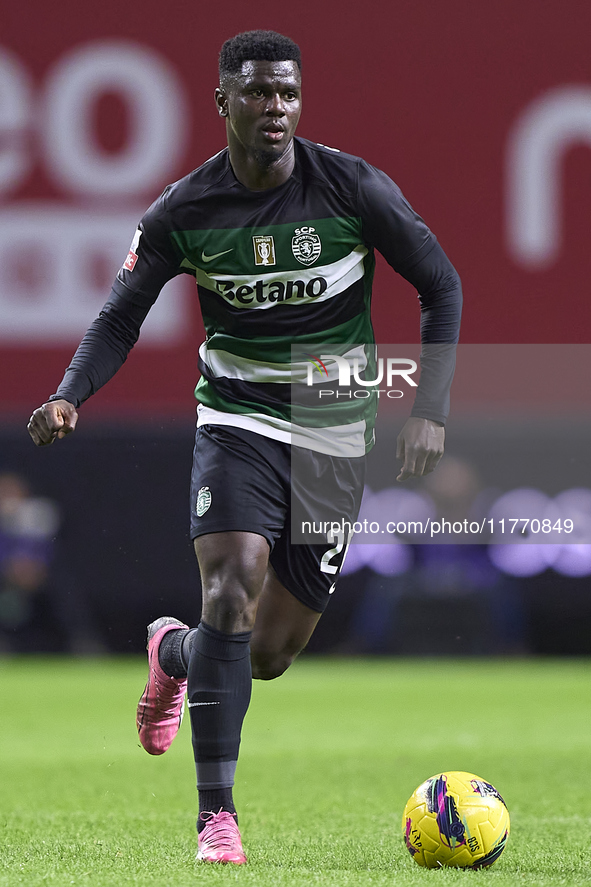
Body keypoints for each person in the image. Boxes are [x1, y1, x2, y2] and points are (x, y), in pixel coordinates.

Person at [27, 30, 462, 864]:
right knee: (229, 585)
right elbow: (121, 315)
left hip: (333, 427)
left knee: (264, 651)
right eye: (259, 93)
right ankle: (215, 817)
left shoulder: (352, 186)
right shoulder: (184, 211)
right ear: (223, 101)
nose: (276, 108)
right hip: (237, 420)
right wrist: (68, 394)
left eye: (288, 94)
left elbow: (439, 283)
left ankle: (171, 651)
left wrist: (428, 410)